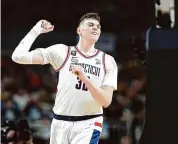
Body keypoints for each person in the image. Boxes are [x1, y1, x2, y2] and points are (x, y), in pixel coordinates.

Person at [12, 12, 118, 144]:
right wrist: (35, 30)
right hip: (60, 122)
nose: (96, 28)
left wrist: (85, 79)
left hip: (89, 122)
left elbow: (106, 101)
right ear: (79, 30)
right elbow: (18, 57)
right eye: (91, 25)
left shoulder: (107, 61)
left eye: (98, 26)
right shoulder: (62, 52)